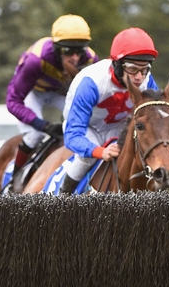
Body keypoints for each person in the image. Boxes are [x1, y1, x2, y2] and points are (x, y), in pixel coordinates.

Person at [58, 27, 159, 194]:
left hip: (119, 127)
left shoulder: (147, 80)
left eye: (144, 69)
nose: (140, 77)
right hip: (86, 129)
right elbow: (72, 136)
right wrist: (100, 151)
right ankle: (61, 201)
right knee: (85, 159)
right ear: (117, 64)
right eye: (133, 69)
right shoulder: (91, 82)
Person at [5, 14, 99, 176]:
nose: (75, 57)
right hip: (33, 92)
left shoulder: (91, 60)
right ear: (56, 48)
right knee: (35, 135)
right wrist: (44, 125)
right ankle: (16, 179)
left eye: (80, 50)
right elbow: (13, 101)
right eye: (68, 51)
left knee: (90, 123)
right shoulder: (36, 60)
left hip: (59, 93)